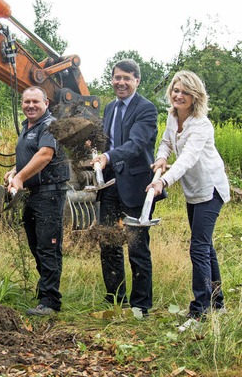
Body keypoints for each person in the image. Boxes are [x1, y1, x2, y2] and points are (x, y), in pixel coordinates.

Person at [146, 70, 230, 330]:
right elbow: (167, 144)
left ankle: (200, 313)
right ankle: (218, 304)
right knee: (205, 246)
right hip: (194, 191)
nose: (178, 95)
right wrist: (161, 157)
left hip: (211, 189)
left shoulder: (201, 125)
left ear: (195, 97)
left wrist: (163, 181)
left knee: (198, 247)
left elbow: (188, 158)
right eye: (175, 90)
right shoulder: (172, 117)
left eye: (185, 92)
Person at [91, 59, 161, 315]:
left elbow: (136, 144)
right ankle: (115, 299)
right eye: (117, 77)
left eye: (127, 78)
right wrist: (97, 151)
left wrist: (108, 157)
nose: (121, 82)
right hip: (109, 184)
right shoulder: (110, 108)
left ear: (137, 81)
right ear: (112, 79)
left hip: (135, 185)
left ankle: (141, 305)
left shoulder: (146, 109)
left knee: (137, 246)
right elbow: (105, 140)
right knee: (108, 241)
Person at [4, 86, 69, 315]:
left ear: (46, 103)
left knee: (48, 246)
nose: (30, 105)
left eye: (35, 102)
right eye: (26, 102)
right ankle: (45, 291)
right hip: (32, 195)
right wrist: (14, 172)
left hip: (48, 194)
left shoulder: (50, 125)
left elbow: (45, 155)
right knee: (36, 245)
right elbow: (31, 155)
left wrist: (20, 177)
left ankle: (50, 301)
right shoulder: (27, 126)